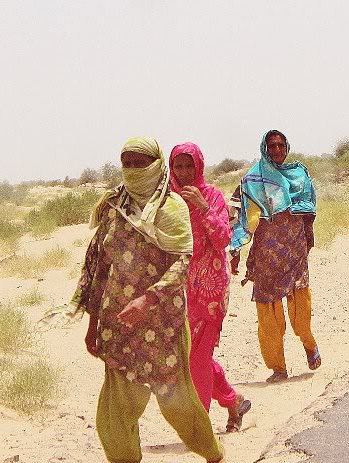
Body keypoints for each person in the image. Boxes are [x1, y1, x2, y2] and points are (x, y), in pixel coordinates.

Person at [62, 137, 225, 463]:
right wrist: (93, 323)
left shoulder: (173, 207)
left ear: (156, 163)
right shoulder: (112, 208)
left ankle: (213, 453)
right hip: (118, 325)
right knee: (114, 414)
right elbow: (99, 268)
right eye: (128, 163)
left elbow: (182, 264)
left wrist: (147, 302)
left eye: (142, 163)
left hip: (163, 327)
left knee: (177, 404)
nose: (135, 170)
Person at [169, 142, 252, 433]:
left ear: (199, 166)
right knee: (186, 358)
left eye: (189, 165)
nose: (184, 172)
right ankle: (233, 400)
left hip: (211, 289)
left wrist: (203, 209)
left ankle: (199, 427)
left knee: (198, 358)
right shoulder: (167, 200)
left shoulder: (212, 196)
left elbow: (222, 239)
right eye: (178, 166)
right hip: (178, 290)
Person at [229, 129, 321, 384]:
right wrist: (235, 249)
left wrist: (308, 241)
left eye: (281, 145)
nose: (278, 150)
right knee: (268, 309)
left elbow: (310, 211)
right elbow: (240, 213)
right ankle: (277, 367)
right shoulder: (254, 178)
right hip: (267, 251)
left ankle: (308, 342)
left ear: (287, 147)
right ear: (264, 148)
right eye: (272, 146)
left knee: (300, 301)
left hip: (294, 247)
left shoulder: (299, 173)